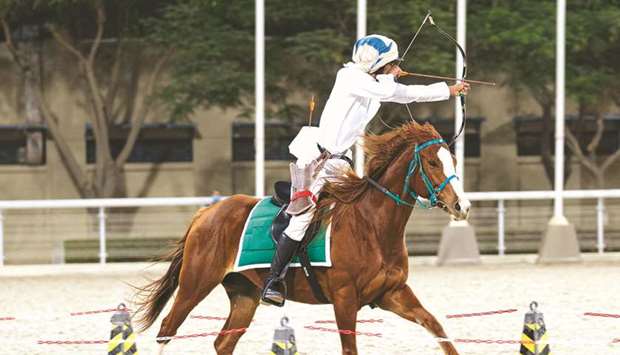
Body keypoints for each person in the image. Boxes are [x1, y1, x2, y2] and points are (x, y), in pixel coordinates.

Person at [261, 34, 470, 306]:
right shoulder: (349, 77)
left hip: (338, 162)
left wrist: (445, 89)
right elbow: (392, 92)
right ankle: (273, 281)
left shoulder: (371, 82)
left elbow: (400, 92)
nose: (395, 67)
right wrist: (428, 85)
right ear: (379, 63)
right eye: (392, 63)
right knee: (302, 217)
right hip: (316, 160)